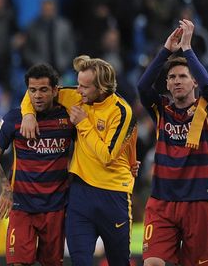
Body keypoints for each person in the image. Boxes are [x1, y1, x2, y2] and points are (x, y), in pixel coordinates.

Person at [20, 55, 136, 266]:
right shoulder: (77, 97)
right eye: (79, 84)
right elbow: (39, 92)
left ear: (101, 88)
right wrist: (28, 115)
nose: (78, 90)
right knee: (80, 262)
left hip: (113, 195)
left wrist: (83, 123)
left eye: (84, 86)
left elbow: (107, 156)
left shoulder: (121, 111)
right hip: (80, 194)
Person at [137, 20, 208, 266]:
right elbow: (143, 86)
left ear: (193, 82)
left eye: (183, 76)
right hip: (161, 201)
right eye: (171, 77)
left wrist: (187, 49)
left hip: (198, 202)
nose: (176, 81)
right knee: (152, 262)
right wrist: (165, 51)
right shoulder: (161, 109)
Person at [0, 64, 75, 266]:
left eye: (43, 90)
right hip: (21, 206)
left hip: (55, 208)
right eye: (32, 90)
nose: (38, 96)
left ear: (55, 90)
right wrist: (5, 188)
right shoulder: (13, 119)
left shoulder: (68, 119)